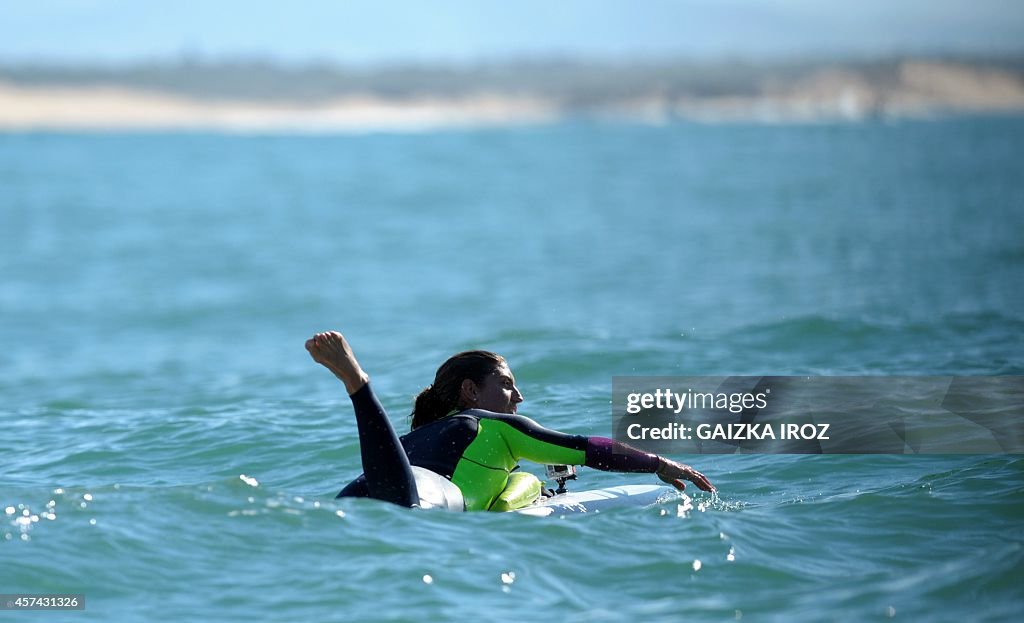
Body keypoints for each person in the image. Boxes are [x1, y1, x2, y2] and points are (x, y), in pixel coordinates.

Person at [306, 330, 715, 511]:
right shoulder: (493, 426)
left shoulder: (422, 434)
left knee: (395, 496)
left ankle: (358, 388)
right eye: (506, 385)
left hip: (362, 489)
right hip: (421, 491)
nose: (518, 397)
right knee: (407, 503)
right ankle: (358, 385)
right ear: (470, 391)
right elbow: (584, 448)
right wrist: (659, 463)